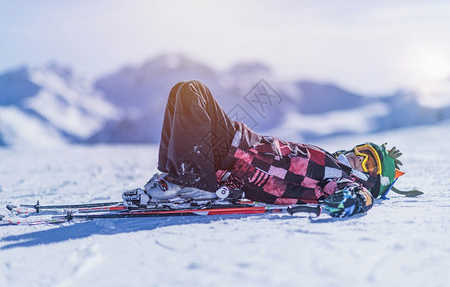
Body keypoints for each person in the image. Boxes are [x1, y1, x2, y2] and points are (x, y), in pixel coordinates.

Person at [123, 80, 404, 217]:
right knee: (182, 91)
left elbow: (357, 195)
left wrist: (358, 199)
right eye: (362, 151)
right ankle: (178, 176)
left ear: (372, 179)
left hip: (235, 154)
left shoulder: (340, 177)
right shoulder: (332, 160)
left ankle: (191, 180)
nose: (358, 157)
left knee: (191, 92)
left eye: (368, 163)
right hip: (237, 147)